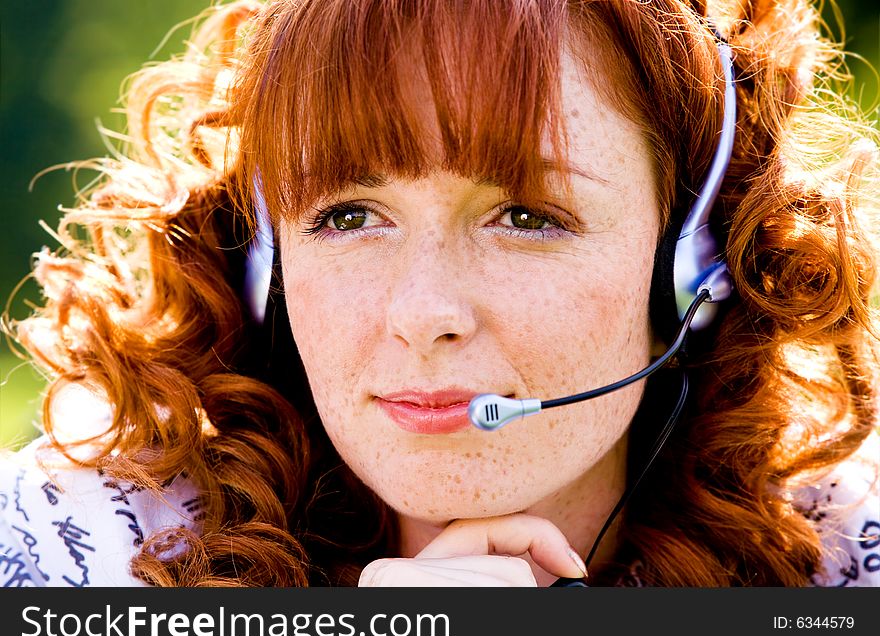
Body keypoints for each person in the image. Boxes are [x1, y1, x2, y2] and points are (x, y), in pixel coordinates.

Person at [1, 0, 878, 588]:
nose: (424, 314)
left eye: (528, 216)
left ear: (696, 263)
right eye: (348, 214)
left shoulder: (846, 555)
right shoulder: (67, 552)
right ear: (267, 260)